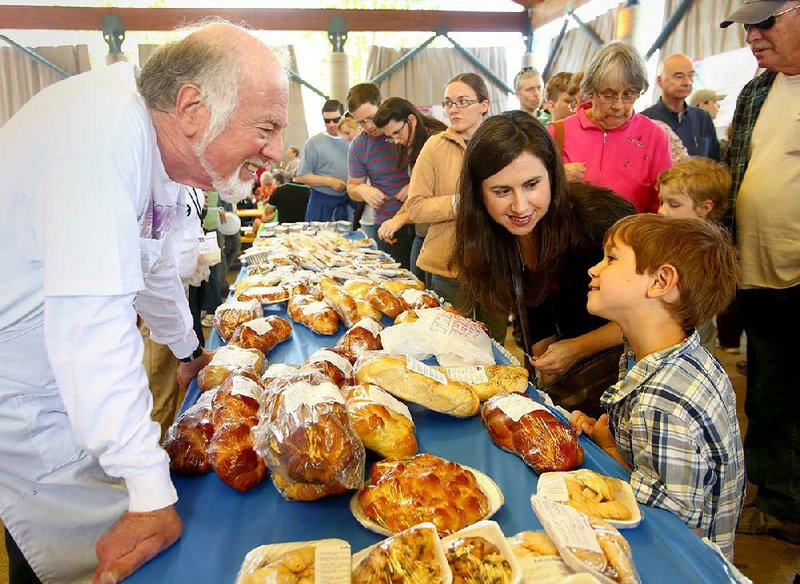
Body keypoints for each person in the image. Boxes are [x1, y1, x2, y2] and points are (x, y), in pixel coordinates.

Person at [0, 22, 287, 583]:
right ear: (191, 107)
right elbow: (92, 327)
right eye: (267, 127)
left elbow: (156, 270)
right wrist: (150, 491)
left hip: (76, 381)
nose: (276, 150)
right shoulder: (95, 139)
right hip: (26, 384)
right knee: (81, 556)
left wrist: (187, 351)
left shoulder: (164, 154)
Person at [571, 214, 745, 560]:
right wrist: (612, 446)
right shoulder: (654, 354)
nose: (594, 269)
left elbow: (671, 530)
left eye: (611, 258)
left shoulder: (665, 401)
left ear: (661, 280)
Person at [452, 111, 635, 413]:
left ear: (553, 175)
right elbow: (535, 317)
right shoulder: (496, 239)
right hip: (575, 398)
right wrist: (545, 358)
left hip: (628, 388)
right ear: (479, 194)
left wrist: (577, 349)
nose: (520, 206)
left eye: (531, 184)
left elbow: (655, 314)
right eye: (501, 191)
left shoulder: (599, 221)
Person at [720, 0, 800, 543]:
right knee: (769, 392)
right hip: (760, 278)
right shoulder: (758, 89)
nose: (752, 35)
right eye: (747, 25)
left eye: (766, 22)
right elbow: (734, 173)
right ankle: (778, 497)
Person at [404, 74, 506, 341]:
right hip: (448, 265)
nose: (453, 109)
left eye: (462, 101)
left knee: (493, 345)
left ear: (484, 104)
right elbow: (415, 208)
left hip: (496, 263)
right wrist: (458, 203)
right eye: (448, 103)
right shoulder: (435, 147)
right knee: (449, 346)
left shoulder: (502, 144)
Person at [548, 41, 673, 213]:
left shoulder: (655, 136)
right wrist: (556, 178)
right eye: (609, 94)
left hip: (631, 237)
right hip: (569, 237)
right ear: (591, 90)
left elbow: (661, 205)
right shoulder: (558, 133)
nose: (618, 105)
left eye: (629, 94)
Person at [656, 157, 731, 354]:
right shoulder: (669, 236)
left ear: (704, 208)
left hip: (691, 343)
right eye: (661, 201)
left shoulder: (708, 250)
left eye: (673, 204)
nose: (661, 211)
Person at [372, 97, 447, 287]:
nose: (397, 140)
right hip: (422, 231)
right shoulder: (412, 142)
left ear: (411, 120)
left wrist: (400, 219)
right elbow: (416, 193)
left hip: (440, 236)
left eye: (398, 132)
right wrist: (395, 219)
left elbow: (433, 198)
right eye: (391, 136)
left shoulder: (436, 143)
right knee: (416, 287)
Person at [346, 83, 413, 268]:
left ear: (382, 104)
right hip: (386, 227)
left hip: (417, 219)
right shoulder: (358, 147)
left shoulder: (405, 131)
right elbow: (351, 187)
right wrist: (362, 189)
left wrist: (414, 185)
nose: (367, 126)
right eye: (360, 122)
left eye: (370, 118)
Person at [641, 53, 721, 160]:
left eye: (691, 76)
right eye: (679, 77)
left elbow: (714, 161)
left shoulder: (702, 118)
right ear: (660, 81)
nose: (687, 82)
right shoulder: (645, 120)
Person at [295, 99, 351, 222]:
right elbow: (302, 176)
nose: (331, 124)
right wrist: (329, 181)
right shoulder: (313, 143)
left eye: (336, 120)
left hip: (349, 201)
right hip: (321, 201)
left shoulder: (352, 140)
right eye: (327, 121)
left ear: (343, 118)